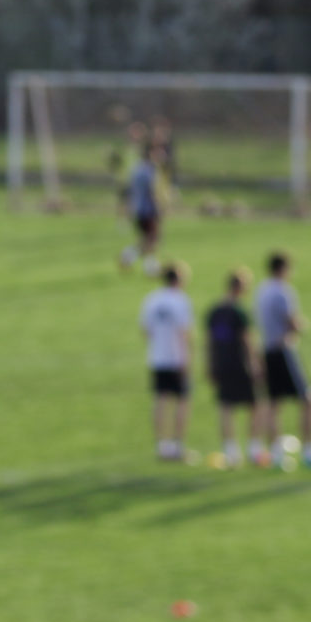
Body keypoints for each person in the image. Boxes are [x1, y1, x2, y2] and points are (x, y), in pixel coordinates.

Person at [255, 250, 311, 469]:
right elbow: (293, 323)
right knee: (309, 399)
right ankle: (309, 452)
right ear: (283, 269)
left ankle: (276, 454)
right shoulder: (282, 292)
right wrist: (302, 326)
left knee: (274, 403)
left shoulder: (262, 290)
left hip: (267, 349)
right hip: (283, 350)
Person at [205, 267, 264, 467]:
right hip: (240, 363)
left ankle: (231, 450)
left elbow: (209, 341)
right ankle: (253, 448)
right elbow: (248, 340)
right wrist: (255, 364)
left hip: (221, 363)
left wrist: (210, 364)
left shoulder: (215, 311)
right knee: (254, 405)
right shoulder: (239, 312)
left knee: (226, 406)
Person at [139, 261, 194, 462]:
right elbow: (184, 333)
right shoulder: (180, 300)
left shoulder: (151, 300)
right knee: (182, 401)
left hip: (157, 357)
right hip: (176, 357)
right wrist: (187, 358)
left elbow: (146, 331)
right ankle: (178, 446)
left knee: (160, 400)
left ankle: (162, 446)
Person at [119, 147, 161, 275]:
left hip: (137, 208)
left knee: (148, 238)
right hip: (147, 209)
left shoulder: (136, 169)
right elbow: (151, 191)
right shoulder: (150, 170)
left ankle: (148, 265)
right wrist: (157, 207)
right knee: (152, 238)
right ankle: (129, 256)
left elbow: (129, 189)